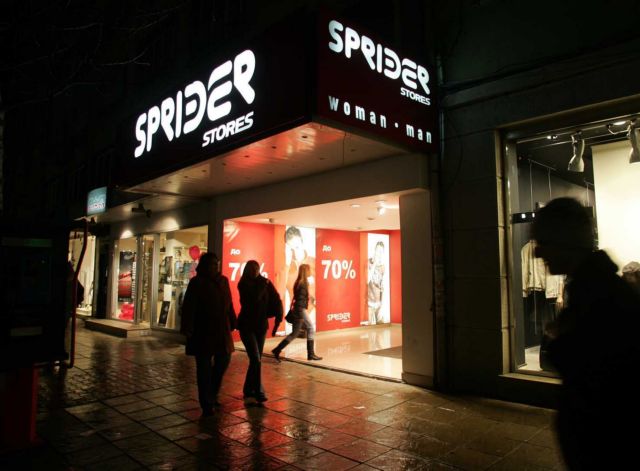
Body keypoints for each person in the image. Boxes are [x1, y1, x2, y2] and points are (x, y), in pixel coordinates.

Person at [531, 197, 640, 470]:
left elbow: (595, 375)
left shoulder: (600, 295)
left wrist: (559, 343)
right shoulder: (591, 288)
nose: (537, 253)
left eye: (543, 241)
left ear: (566, 240)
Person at [180, 252, 236, 416]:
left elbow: (229, 302)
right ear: (204, 265)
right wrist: (188, 327)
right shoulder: (197, 282)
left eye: (216, 264)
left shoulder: (223, 281)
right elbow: (189, 307)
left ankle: (212, 394)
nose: (215, 267)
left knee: (223, 361)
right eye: (212, 264)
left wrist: (233, 320)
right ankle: (206, 402)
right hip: (203, 331)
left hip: (221, 330)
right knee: (204, 368)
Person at [237, 260, 283, 403]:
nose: (255, 271)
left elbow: (276, 299)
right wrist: (263, 285)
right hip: (246, 326)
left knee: (255, 360)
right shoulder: (243, 284)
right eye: (252, 269)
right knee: (256, 359)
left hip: (261, 326)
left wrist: (278, 319)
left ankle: (247, 388)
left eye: (256, 268)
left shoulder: (265, 283)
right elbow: (253, 300)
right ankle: (258, 390)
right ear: (247, 270)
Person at [271, 263, 322, 362]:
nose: (310, 272)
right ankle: (311, 354)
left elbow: (301, 297)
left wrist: (310, 299)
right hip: (300, 309)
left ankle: (277, 349)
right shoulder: (302, 284)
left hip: (298, 309)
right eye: (309, 270)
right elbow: (300, 299)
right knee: (310, 328)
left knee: (295, 333)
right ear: (305, 271)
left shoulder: (300, 282)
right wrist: (302, 310)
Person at [367, 241, 386, 324]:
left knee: (381, 325)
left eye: (381, 252)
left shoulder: (383, 267)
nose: (379, 253)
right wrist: (374, 263)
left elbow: (382, 286)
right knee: (368, 326)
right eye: (378, 251)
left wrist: (381, 304)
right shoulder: (369, 262)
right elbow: (367, 280)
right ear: (375, 250)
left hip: (378, 303)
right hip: (369, 303)